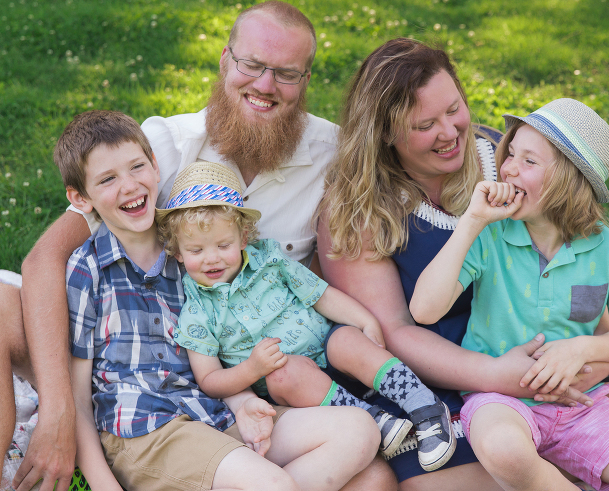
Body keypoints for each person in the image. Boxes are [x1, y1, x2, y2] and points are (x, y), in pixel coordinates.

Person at [0, 0, 395, 491]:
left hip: (230, 376)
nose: (265, 85)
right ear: (225, 60)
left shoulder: (331, 158)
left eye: (287, 74)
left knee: (373, 476)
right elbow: (45, 258)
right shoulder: (159, 147)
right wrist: (59, 411)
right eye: (251, 65)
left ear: (307, 79)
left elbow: (399, 193)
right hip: (119, 353)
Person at [316, 38, 609, 490]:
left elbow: (579, 259)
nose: (451, 132)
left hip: (539, 353)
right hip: (432, 383)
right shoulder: (357, 211)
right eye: (425, 124)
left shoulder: (504, 156)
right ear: (385, 133)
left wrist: (591, 352)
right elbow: (397, 330)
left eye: (454, 108)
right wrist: (499, 376)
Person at [408, 98, 609, 491]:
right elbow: (423, 309)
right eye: (510, 155)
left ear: (570, 182)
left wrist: (582, 349)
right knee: (504, 447)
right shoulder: (490, 235)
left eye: (529, 161)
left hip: (582, 407)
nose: (507, 168)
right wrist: (471, 221)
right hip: (502, 401)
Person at [56, 110, 379, 490]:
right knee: (272, 485)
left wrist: (242, 404)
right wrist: (103, 484)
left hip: (213, 415)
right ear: (81, 197)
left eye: (136, 167)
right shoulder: (88, 268)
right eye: (108, 179)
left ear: (155, 166)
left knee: (359, 430)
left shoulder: (194, 252)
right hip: (145, 430)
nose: (128, 186)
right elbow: (79, 396)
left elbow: (219, 350)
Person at [156, 161, 455, 471]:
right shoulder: (196, 313)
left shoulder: (270, 261)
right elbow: (209, 380)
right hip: (300, 389)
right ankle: (376, 422)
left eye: (223, 245)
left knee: (346, 339)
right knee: (283, 374)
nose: (212, 258)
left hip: (329, 347)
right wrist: (251, 368)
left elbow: (320, 295)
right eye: (196, 250)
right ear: (177, 252)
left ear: (243, 238)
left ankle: (424, 405)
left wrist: (365, 321)